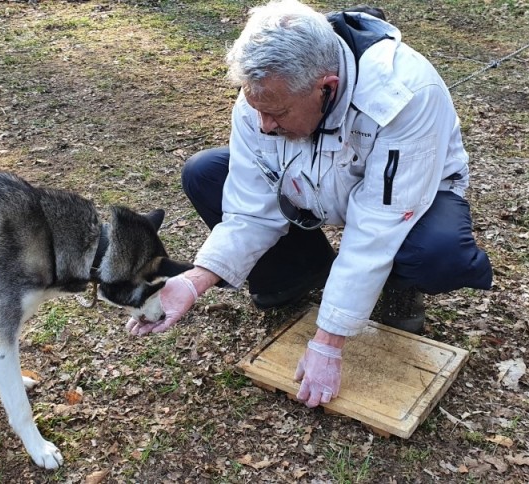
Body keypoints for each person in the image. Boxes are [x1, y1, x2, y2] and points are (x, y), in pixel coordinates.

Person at [126, 0, 492, 409]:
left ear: (327, 87)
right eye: (256, 109)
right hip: (314, 188)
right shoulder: (264, 94)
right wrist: (195, 281)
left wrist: (328, 341)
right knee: (206, 171)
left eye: (277, 113)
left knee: (437, 253)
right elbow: (249, 208)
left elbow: (378, 224)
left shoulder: (404, 94)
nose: (264, 125)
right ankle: (300, 274)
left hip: (413, 197)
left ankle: (400, 285)